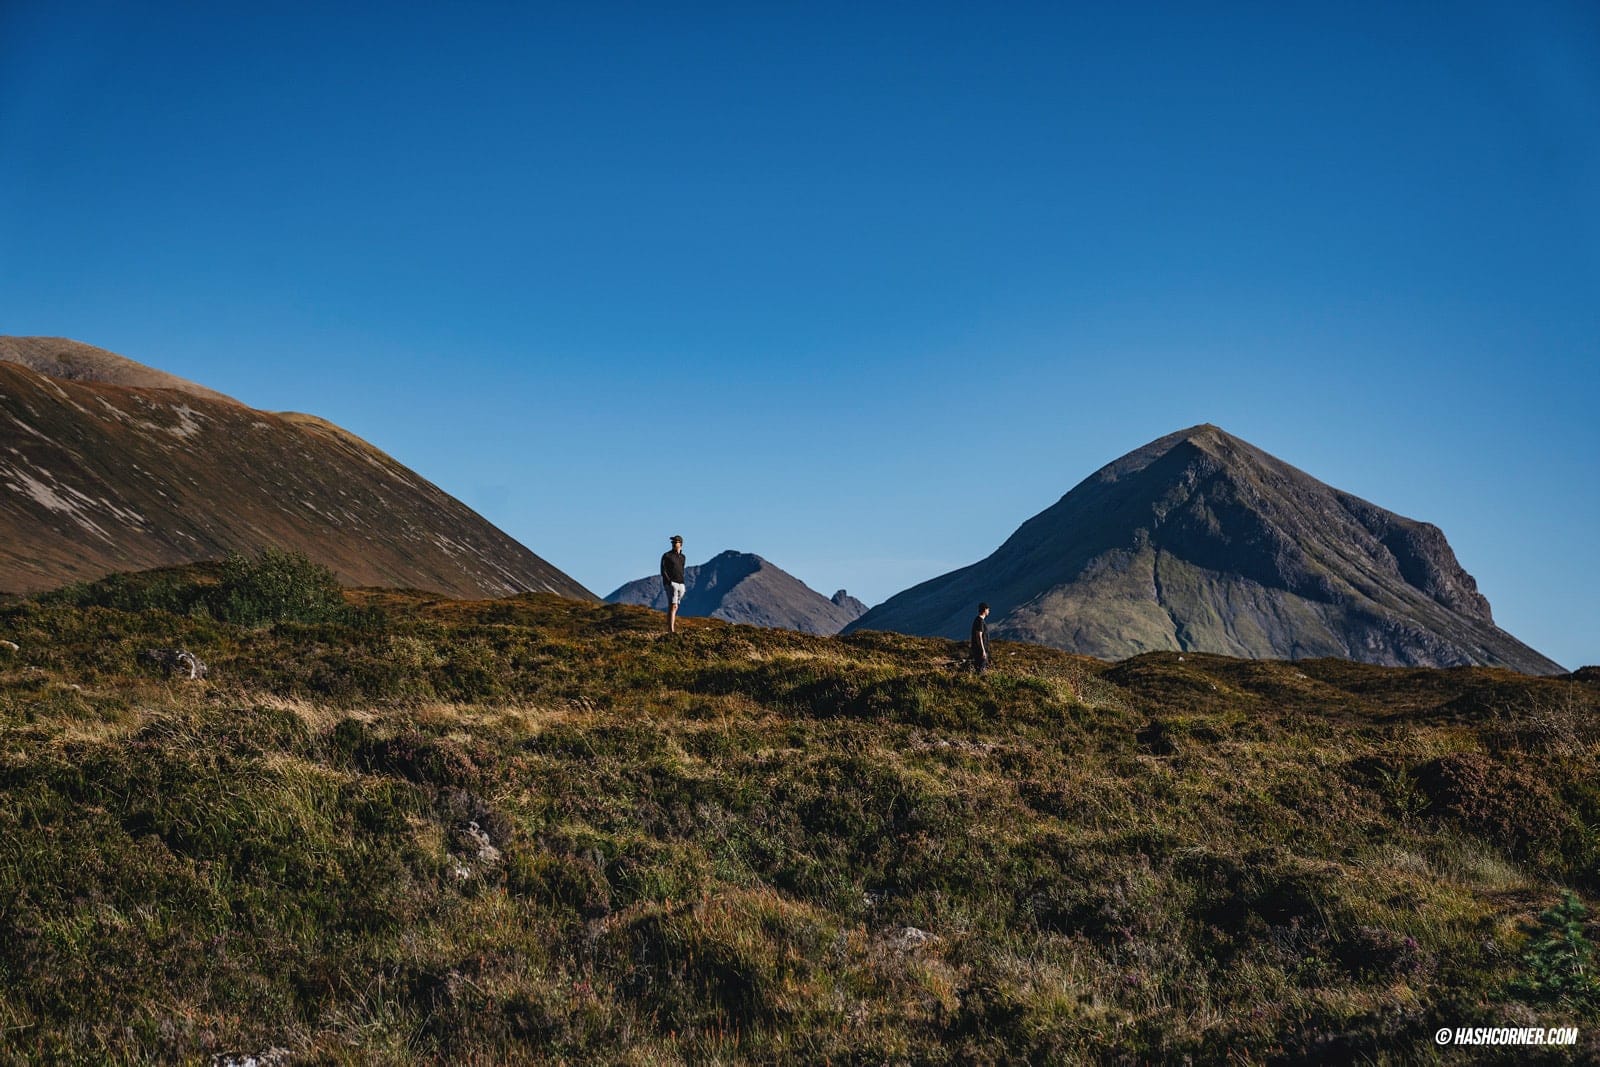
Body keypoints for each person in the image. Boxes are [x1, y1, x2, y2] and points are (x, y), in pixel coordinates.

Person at [660, 535, 687, 633]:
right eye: (673, 542)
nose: (673, 544)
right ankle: (671, 630)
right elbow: (663, 570)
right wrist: (669, 582)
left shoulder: (683, 557)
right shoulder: (667, 556)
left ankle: (671, 628)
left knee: (676, 606)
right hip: (672, 583)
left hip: (681, 583)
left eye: (675, 542)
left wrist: (682, 581)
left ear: (681, 544)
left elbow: (682, 569)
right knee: (673, 605)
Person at [971, 602, 991, 674]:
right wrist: (983, 650)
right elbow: (979, 636)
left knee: (980, 668)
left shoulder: (978, 620)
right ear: (985, 610)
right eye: (988, 610)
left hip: (978, 649)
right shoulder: (980, 621)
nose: (989, 611)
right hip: (980, 651)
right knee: (981, 670)